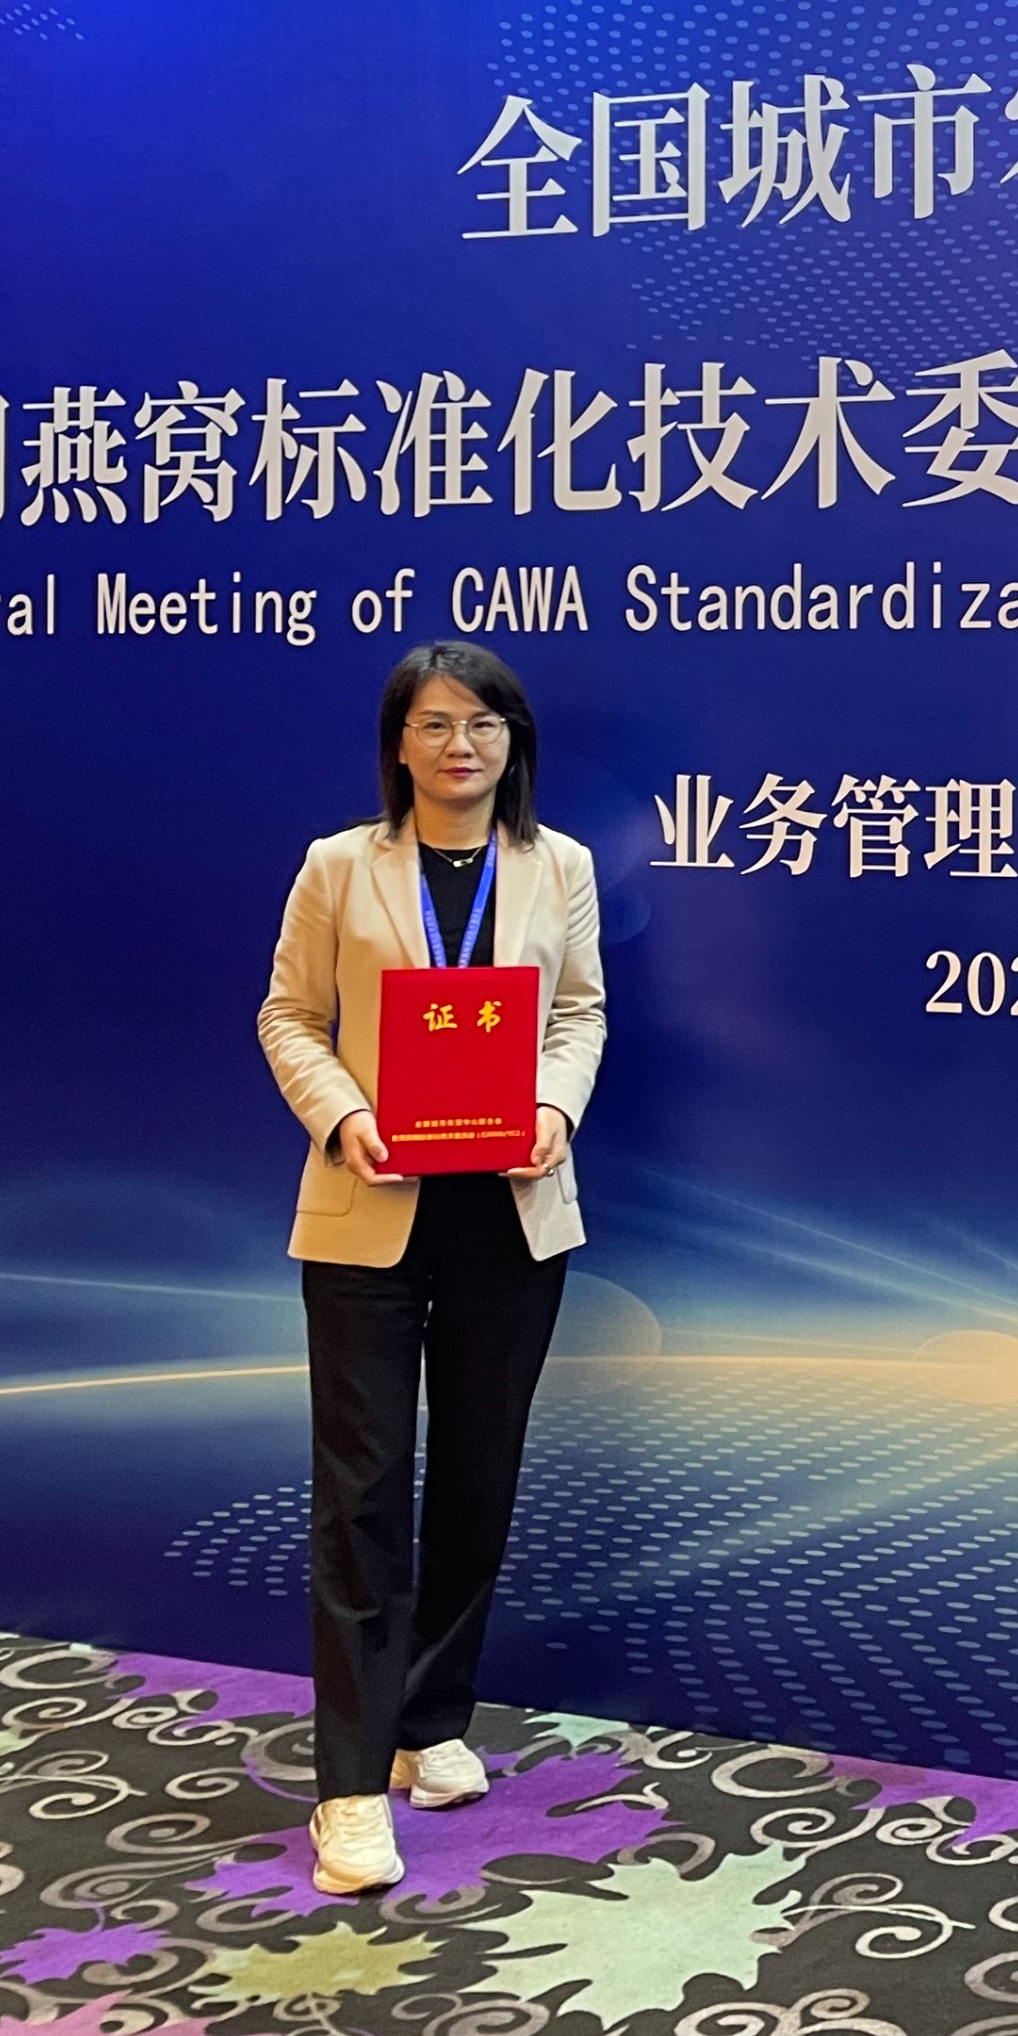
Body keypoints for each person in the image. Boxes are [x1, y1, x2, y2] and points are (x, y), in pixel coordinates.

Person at [257, 640, 607, 1897]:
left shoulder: (558, 865)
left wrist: (554, 1107)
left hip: (508, 1215)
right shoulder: (339, 866)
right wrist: (343, 1114)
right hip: (372, 1211)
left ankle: (428, 1719)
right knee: (359, 1496)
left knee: (474, 1481)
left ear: (514, 742)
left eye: (483, 723)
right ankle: (349, 1789)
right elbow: (289, 1016)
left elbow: (579, 1013)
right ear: (398, 744)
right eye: (435, 724)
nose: (461, 745)